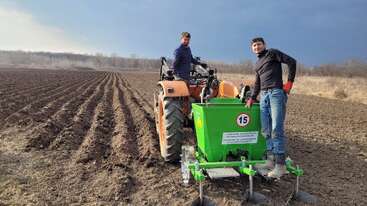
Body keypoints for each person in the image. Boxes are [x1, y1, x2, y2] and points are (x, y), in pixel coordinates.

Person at [246, 37, 296, 178]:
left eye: (259, 44)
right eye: (254, 45)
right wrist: (252, 98)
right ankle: (270, 160)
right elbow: (257, 83)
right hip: (263, 96)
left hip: (275, 93)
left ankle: (280, 166)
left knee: (276, 129)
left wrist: (289, 83)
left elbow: (292, 62)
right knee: (266, 130)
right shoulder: (257, 63)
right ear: (252, 48)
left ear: (264, 45)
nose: (257, 47)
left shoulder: (272, 53)